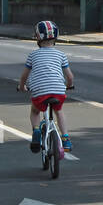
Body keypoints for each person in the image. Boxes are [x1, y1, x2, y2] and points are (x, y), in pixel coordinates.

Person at [17, 20, 75, 151]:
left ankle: (36, 131)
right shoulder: (61, 55)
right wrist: (69, 86)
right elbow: (70, 77)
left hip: (39, 91)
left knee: (35, 111)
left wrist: (21, 86)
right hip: (58, 91)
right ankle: (65, 138)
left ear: (37, 37)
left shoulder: (32, 55)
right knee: (58, 111)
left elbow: (24, 76)